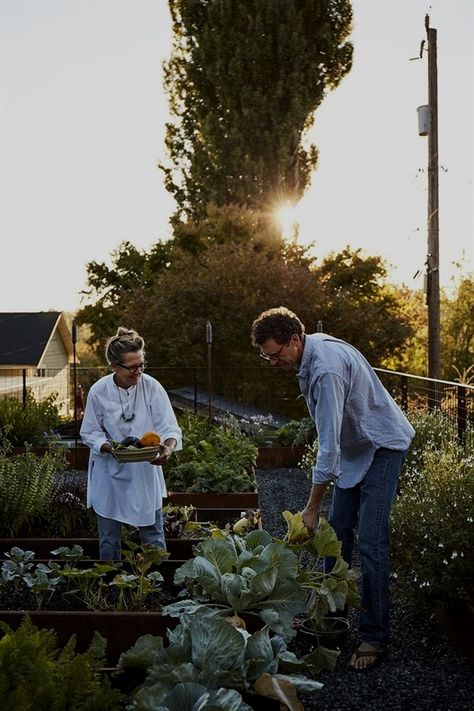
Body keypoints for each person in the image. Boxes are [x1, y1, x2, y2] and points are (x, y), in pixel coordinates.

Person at [250, 306, 414, 671]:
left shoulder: (324, 369)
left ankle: (375, 635)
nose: (273, 362)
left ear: (294, 339)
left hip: (382, 445)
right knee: (335, 535)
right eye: (267, 357)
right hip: (358, 447)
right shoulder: (310, 349)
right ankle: (329, 615)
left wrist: (310, 508)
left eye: (275, 354)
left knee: (371, 541)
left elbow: (328, 447)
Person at [80, 326, 182, 561]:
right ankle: (110, 587)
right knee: (108, 538)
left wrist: (167, 447)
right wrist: (109, 447)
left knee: (153, 533)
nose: (139, 371)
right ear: (114, 366)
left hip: (145, 471)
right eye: (132, 367)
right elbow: (90, 432)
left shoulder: (151, 387)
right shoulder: (99, 391)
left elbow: (169, 426)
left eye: (142, 364)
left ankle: (158, 586)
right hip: (109, 473)